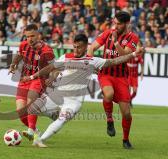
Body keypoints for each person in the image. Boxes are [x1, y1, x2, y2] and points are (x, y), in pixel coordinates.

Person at [21, 34, 144, 148]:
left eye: (79, 47)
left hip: (74, 101)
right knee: (32, 109)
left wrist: (133, 54)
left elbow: (114, 61)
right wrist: (32, 77)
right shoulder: (66, 57)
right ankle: (52, 115)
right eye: (74, 47)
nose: (76, 50)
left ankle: (40, 139)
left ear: (86, 46)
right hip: (57, 95)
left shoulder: (93, 61)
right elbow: (50, 68)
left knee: (62, 120)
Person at [87, 11, 139, 149]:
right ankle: (109, 120)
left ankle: (125, 140)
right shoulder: (107, 33)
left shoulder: (133, 37)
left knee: (126, 114)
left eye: (119, 24)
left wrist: (116, 42)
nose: (115, 26)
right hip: (106, 73)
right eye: (114, 23)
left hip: (121, 77)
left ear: (127, 24)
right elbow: (92, 47)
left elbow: (125, 56)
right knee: (108, 94)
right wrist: (91, 62)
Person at [8, 24, 55, 140]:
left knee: (31, 102)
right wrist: (13, 64)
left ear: (38, 35)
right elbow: (19, 55)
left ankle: (30, 130)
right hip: (24, 80)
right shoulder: (23, 45)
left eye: (32, 36)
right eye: (28, 36)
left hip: (39, 79)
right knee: (20, 112)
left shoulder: (47, 50)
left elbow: (54, 67)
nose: (30, 39)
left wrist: (52, 78)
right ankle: (36, 129)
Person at [127, 41, 144, 107]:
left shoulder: (139, 56)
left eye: (139, 46)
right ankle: (127, 102)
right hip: (128, 75)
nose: (138, 47)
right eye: (137, 46)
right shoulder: (129, 54)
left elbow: (142, 65)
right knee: (128, 90)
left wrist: (142, 74)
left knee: (135, 92)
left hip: (134, 76)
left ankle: (129, 100)